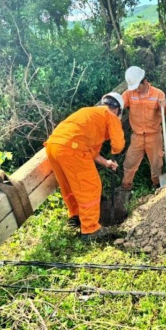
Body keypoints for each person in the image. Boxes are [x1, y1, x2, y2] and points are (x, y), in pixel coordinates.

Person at [44, 93, 125, 241]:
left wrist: (106, 162)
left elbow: (91, 150)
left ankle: (77, 217)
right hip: (72, 149)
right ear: (117, 110)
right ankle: (90, 229)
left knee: (70, 185)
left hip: (53, 146)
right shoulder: (110, 115)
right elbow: (118, 144)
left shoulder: (90, 113)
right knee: (90, 186)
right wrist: (115, 150)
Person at [120, 66, 166, 189]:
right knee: (129, 162)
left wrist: (164, 107)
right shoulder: (129, 94)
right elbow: (120, 105)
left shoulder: (158, 94)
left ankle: (157, 186)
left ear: (144, 81)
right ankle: (125, 187)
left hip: (154, 136)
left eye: (138, 86)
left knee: (156, 164)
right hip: (137, 136)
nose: (136, 90)